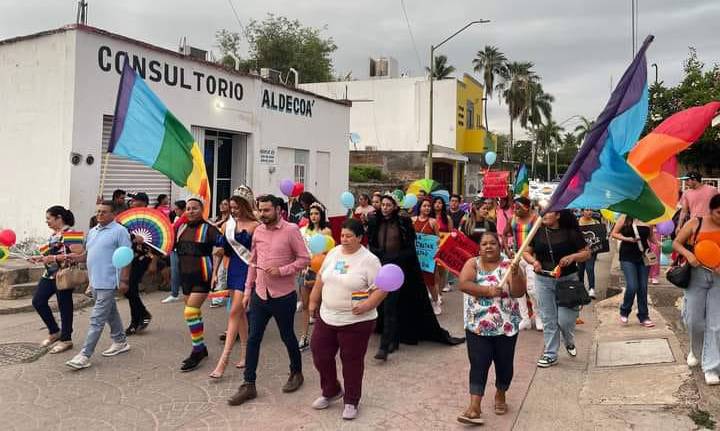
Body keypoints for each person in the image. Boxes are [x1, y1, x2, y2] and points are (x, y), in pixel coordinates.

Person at [228, 194, 311, 406]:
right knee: (253, 339)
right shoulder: (258, 232)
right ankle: (249, 384)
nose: (262, 214)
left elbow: (304, 259)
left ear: (277, 210)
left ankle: (296, 373)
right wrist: (248, 291)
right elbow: (253, 262)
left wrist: (283, 270)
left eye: (266, 210)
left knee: (287, 337)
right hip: (260, 295)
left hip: (283, 297)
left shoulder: (291, 230)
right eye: (260, 210)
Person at [367, 194, 464, 361]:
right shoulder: (375, 222)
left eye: (388, 205)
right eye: (382, 204)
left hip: (398, 269)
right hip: (380, 268)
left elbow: (410, 248)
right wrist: (380, 256)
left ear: (395, 207)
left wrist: (395, 258)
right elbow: (372, 244)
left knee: (392, 305)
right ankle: (393, 339)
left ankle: (385, 346)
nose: (384, 208)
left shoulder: (404, 223)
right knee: (383, 304)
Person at [308, 219, 384, 420]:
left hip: (356, 321)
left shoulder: (369, 260)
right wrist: (313, 301)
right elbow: (320, 279)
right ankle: (331, 390)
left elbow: (381, 288)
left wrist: (368, 305)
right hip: (327, 315)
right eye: (342, 235)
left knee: (351, 360)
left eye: (349, 236)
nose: (344, 239)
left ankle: (351, 400)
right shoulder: (333, 253)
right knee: (319, 352)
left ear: (360, 238)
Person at [457, 232, 526, 425]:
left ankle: (500, 393)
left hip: (506, 326)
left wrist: (515, 273)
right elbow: (463, 284)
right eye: (484, 244)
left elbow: (518, 292)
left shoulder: (510, 265)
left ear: (500, 245)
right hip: (477, 327)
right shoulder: (473, 263)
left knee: (504, 365)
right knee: (478, 363)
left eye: (493, 243)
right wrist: (487, 290)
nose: (488, 247)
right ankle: (474, 406)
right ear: (479, 248)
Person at [65, 201, 132, 369]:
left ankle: (84, 355)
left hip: (109, 281)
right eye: (98, 211)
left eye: (104, 212)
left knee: (97, 319)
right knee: (110, 312)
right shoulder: (93, 231)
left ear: (112, 214)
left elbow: (127, 256)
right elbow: (88, 253)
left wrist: (124, 280)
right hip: (94, 280)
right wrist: (76, 258)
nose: (99, 214)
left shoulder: (120, 231)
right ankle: (120, 341)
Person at [523, 209, 590, 368]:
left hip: (568, 281)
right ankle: (551, 354)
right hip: (543, 280)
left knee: (565, 321)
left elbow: (586, 253)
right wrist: (534, 262)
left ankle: (569, 339)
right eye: (542, 213)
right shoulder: (537, 231)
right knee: (548, 318)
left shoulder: (571, 232)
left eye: (548, 213)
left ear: (558, 215)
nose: (544, 215)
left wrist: (572, 257)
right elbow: (526, 252)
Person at [209, 192, 260, 378]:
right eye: (232, 208)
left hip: (248, 271)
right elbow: (226, 249)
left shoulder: (256, 226)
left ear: (246, 206)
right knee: (240, 316)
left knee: (233, 312)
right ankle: (245, 353)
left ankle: (223, 361)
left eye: (237, 208)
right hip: (234, 269)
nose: (234, 211)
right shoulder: (230, 225)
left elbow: (259, 252)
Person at [673, 194, 720, 385]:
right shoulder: (696, 222)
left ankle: (711, 367)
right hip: (696, 274)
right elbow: (677, 242)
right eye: (718, 213)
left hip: (718, 278)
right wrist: (687, 254)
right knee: (693, 320)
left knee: (716, 324)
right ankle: (695, 349)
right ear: (711, 210)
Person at [174, 197, 222, 371]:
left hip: (202, 275)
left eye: (195, 208)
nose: (191, 211)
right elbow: (170, 246)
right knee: (194, 314)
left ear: (202, 210)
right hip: (185, 277)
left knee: (190, 311)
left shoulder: (209, 229)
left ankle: (197, 351)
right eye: (188, 208)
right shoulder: (181, 227)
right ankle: (201, 347)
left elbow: (224, 244)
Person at [30, 206, 83, 354]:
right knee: (38, 301)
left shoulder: (71, 233)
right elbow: (51, 253)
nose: (46, 221)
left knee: (64, 305)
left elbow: (78, 254)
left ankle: (66, 339)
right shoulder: (54, 234)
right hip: (49, 274)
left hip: (63, 274)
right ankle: (54, 331)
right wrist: (39, 258)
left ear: (59, 218)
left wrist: (53, 258)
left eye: (49, 218)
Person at [298, 202, 333, 351]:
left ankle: (322, 336)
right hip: (306, 270)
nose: (313, 216)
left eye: (316, 213)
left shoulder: (326, 231)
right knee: (305, 304)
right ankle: (304, 336)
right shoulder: (304, 231)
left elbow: (327, 251)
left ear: (321, 215)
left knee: (319, 305)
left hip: (320, 270)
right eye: (311, 214)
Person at [611, 214, 657, 327]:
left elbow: (651, 237)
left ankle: (644, 316)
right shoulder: (625, 217)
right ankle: (625, 310)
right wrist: (628, 239)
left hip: (644, 255)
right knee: (632, 286)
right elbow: (614, 233)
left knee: (643, 287)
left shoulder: (648, 218)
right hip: (627, 256)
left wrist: (660, 243)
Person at [505, 197, 539, 331]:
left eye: (518, 207)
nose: (516, 210)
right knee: (518, 290)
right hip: (516, 258)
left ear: (528, 207)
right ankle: (525, 319)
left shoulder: (536, 219)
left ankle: (538, 316)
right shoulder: (512, 219)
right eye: (514, 208)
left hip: (531, 257)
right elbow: (504, 234)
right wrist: (508, 250)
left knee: (532, 290)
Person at [123, 192, 154, 335]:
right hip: (127, 257)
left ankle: (135, 321)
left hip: (143, 257)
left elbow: (159, 243)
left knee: (131, 288)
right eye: (132, 200)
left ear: (144, 203)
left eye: (136, 201)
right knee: (129, 289)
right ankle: (141, 316)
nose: (133, 203)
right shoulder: (127, 217)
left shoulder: (153, 218)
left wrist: (154, 260)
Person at [412, 198, 441, 315]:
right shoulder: (412, 220)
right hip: (416, 256)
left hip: (428, 257)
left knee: (430, 282)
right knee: (416, 281)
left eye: (429, 206)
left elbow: (438, 239)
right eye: (424, 206)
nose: (427, 208)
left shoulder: (433, 222)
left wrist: (436, 248)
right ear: (419, 207)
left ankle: (435, 302)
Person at [161, 200, 187, 303]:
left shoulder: (185, 218)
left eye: (176, 209)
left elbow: (173, 228)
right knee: (175, 271)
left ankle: (178, 293)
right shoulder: (178, 218)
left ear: (183, 209)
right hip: (175, 248)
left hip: (182, 248)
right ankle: (175, 293)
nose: (174, 210)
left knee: (180, 271)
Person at [432, 196, 453, 308]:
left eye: (439, 203)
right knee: (432, 272)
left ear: (443, 205)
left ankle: (439, 293)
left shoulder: (447, 218)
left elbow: (451, 234)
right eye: (435, 203)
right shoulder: (429, 218)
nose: (437, 205)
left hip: (443, 248)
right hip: (431, 248)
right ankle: (433, 292)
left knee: (441, 272)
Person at [210, 199, 231, 308]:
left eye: (225, 204)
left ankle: (219, 297)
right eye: (221, 204)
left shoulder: (231, 221)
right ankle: (218, 296)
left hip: (226, 249)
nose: (222, 206)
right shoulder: (217, 219)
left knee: (223, 272)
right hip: (217, 248)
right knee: (217, 271)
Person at [578, 209, 600, 299]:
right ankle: (580, 289)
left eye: (591, 210)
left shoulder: (596, 222)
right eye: (587, 209)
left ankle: (591, 289)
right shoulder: (577, 222)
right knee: (580, 270)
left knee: (590, 268)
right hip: (579, 251)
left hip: (591, 251)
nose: (589, 212)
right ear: (582, 212)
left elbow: (600, 236)